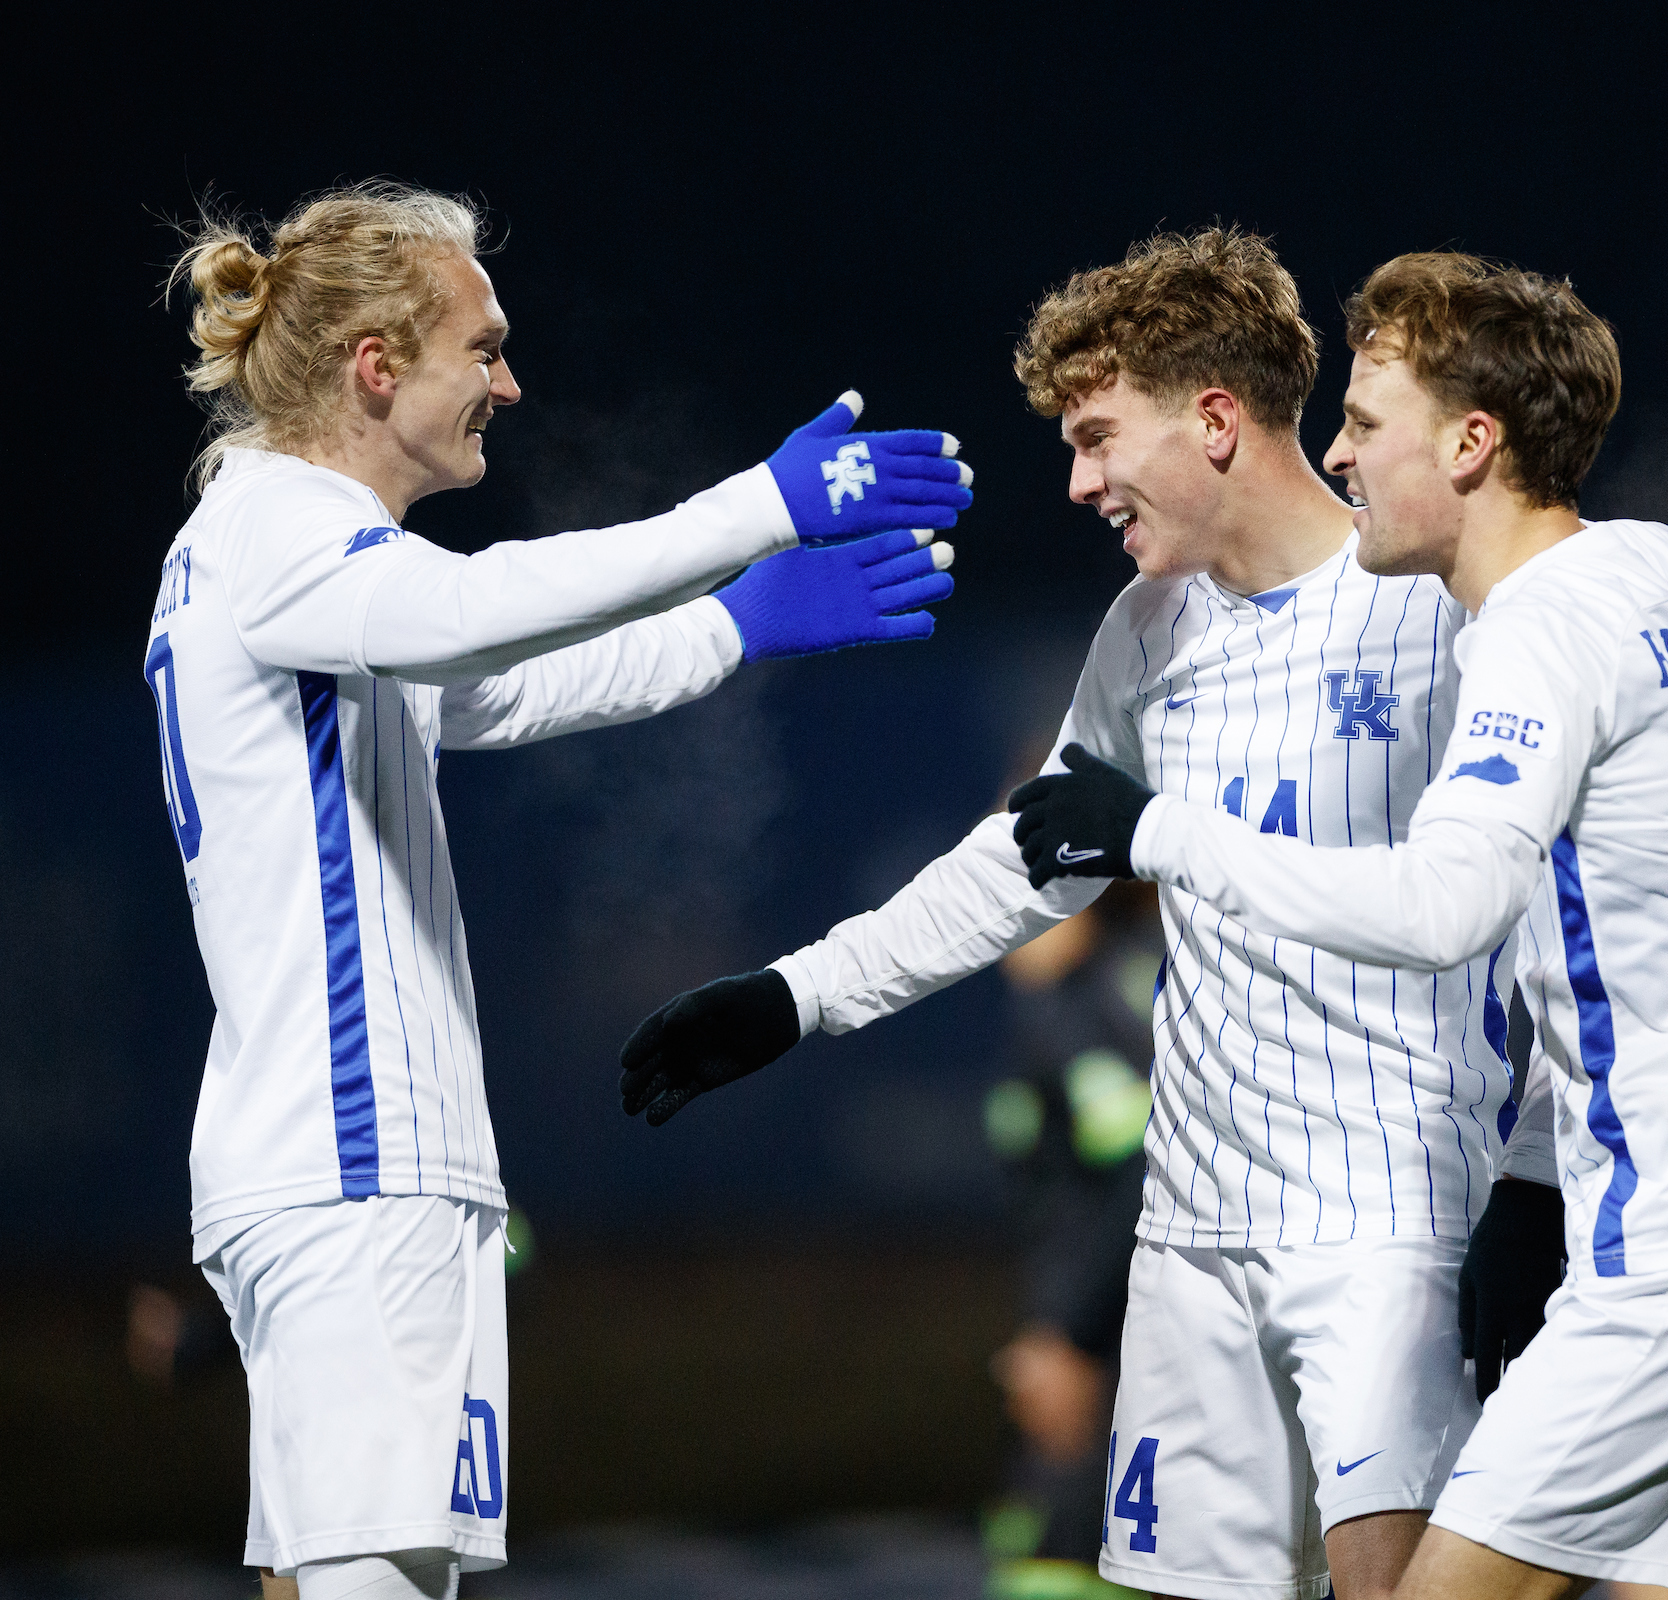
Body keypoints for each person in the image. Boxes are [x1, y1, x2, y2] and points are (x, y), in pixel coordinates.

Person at [1008, 249, 1668, 1600]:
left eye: (1366, 426)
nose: (1336, 455)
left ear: (1470, 443)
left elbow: (1448, 903)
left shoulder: (1534, 634)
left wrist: (1159, 832)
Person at [617, 228, 1516, 1600]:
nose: (1080, 479)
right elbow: (1022, 864)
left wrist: (1544, 1184)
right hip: (1193, 1240)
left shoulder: (1439, 609)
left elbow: (1542, 907)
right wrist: (796, 997)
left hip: (1391, 1226)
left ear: (1215, 420)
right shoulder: (1150, 627)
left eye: (1100, 438)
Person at [145, 182, 971, 1599]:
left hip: (341, 1165)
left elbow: (500, 686)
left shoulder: (270, 548)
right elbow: (472, 613)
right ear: (376, 366)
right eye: (484, 346)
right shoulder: (279, 530)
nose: (509, 383)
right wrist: (751, 511)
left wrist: (730, 629)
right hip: (357, 1165)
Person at [982, 876, 1161, 1600]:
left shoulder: (1091, 1009)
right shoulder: (1100, 995)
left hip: (1114, 1379)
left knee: (1058, 1561)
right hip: (1122, 1367)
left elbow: (1149, 1167)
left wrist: (1068, 1337)